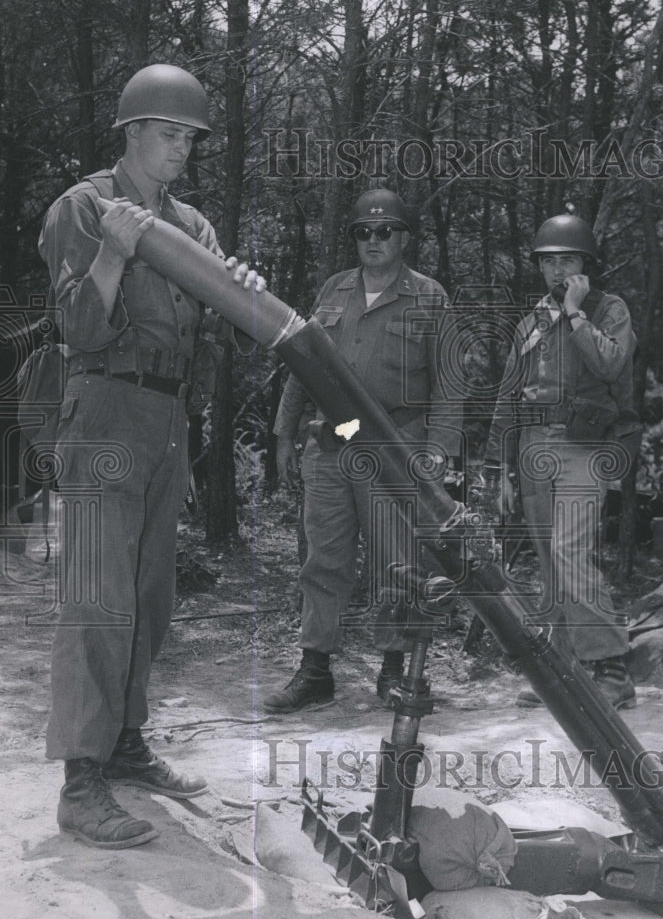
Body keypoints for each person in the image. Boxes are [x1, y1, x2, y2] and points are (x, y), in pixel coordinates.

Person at [39, 64, 263, 849]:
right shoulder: (85, 206)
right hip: (104, 406)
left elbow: (226, 332)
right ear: (132, 134)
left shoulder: (192, 226)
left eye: (190, 141)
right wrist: (110, 255)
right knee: (99, 596)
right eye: (170, 137)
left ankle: (125, 745)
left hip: (168, 417)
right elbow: (78, 331)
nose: (182, 153)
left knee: (149, 596)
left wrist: (238, 288)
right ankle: (80, 780)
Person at [266, 188, 460, 713]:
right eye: (363, 232)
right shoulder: (333, 290)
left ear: (404, 238)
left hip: (394, 451)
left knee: (396, 563)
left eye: (385, 231)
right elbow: (303, 362)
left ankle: (395, 669)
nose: (373, 241)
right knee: (323, 559)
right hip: (330, 447)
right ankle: (314, 669)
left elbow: (448, 385)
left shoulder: (429, 297)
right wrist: (285, 433)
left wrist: (438, 457)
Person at [483, 214, 638, 710]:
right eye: (548, 262)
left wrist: (575, 314)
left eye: (566, 261)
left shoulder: (609, 310)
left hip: (581, 447)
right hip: (532, 449)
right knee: (550, 563)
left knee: (572, 555)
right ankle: (566, 672)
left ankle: (612, 670)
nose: (556, 271)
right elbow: (508, 397)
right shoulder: (529, 322)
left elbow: (611, 364)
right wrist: (500, 468)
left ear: (586, 265)